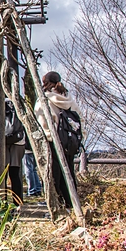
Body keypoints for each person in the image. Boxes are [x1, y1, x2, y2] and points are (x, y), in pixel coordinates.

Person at [34, 71, 83, 208]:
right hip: (70, 140)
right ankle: (71, 201)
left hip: (53, 140)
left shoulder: (46, 99)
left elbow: (42, 121)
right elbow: (79, 118)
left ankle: (56, 202)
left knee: (54, 173)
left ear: (45, 83)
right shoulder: (68, 98)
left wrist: (48, 136)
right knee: (69, 170)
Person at [5, 99, 26, 206]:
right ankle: (18, 203)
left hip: (3, 142)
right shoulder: (19, 101)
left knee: (2, 175)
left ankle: (2, 201)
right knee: (15, 174)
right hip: (18, 141)